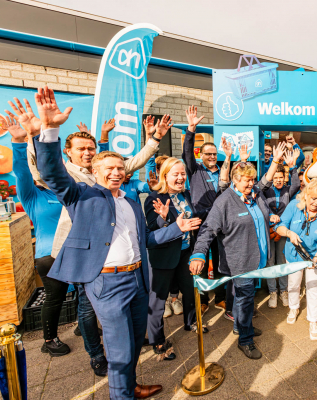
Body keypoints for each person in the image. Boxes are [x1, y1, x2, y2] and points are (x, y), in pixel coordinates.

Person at [33, 86, 201, 399]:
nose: (116, 172)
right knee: (120, 351)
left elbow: (147, 239)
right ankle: (120, 393)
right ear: (93, 172)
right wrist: (50, 128)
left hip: (137, 279)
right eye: (108, 168)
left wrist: (176, 228)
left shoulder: (131, 201)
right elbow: (53, 173)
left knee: (136, 342)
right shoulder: (82, 196)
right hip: (107, 284)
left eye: (120, 168)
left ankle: (130, 385)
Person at [189, 161, 276, 360]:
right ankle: (245, 339)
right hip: (241, 261)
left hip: (258, 258)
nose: (252, 183)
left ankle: (240, 326)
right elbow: (208, 229)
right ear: (235, 180)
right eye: (247, 180)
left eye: (253, 179)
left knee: (244, 297)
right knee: (245, 299)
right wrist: (199, 253)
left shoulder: (254, 194)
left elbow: (264, 213)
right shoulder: (224, 202)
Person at [4, 109, 68, 356]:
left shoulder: (64, 192)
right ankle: (49, 340)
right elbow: (21, 172)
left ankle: (82, 328)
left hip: (74, 251)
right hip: (49, 255)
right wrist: (21, 141)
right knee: (55, 298)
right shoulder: (33, 195)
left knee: (84, 295)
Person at [144, 157, 202, 361]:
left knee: (189, 290)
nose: (180, 178)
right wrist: (164, 218)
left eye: (182, 174)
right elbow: (152, 231)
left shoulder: (186, 194)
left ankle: (191, 322)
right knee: (158, 300)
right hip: (164, 256)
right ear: (165, 176)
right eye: (175, 174)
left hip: (186, 252)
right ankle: (157, 341)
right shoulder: (154, 198)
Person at [183, 105, 230, 316]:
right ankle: (201, 299)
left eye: (214, 154)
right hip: (199, 223)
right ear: (200, 155)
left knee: (220, 261)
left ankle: (220, 297)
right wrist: (191, 130)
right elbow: (186, 152)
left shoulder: (223, 172)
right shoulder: (194, 170)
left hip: (220, 222)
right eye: (208, 154)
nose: (211, 157)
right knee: (199, 258)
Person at [275, 180, 317, 340]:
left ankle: (313, 320)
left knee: (313, 287)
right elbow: (279, 226)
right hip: (293, 255)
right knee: (293, 283)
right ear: (306, 195)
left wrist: (316, 257)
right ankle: (293, 307)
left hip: (314, 258)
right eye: (313, 198)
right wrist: (289, 233)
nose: (316, 202)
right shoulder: (294, 206)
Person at [260, 143, 301, 308]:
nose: (278, 180)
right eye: (275, 177)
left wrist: (293, 167)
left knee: (282, 261)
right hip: (268, 231)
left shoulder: (287, 190)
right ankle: (272, 292)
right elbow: (261, 207)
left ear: (284, 178)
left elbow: (297, 184)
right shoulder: (264, 191)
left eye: (280, 177)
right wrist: (270, 218)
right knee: (270, 262)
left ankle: (283, 290)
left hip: (282, 232)